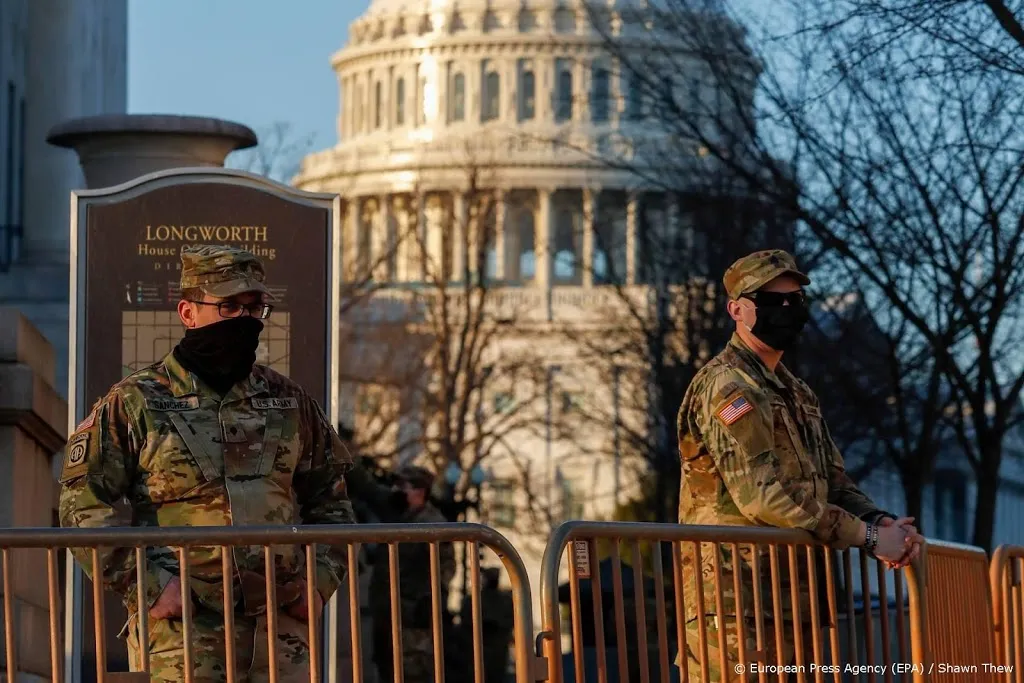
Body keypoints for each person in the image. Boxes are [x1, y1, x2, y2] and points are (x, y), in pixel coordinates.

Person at [58, 244, 356, 682]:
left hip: (279, 636)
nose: (244, 320)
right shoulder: (136, 402)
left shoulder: (291, 403)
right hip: (181, 635)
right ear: (188, 312)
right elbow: (80, 504)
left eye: (254, 308)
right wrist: (150, 587)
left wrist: (318, 582)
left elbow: (333, 503)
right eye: (229, 305)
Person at [675, 249, 923, 682]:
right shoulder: (728, 387)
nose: (788, 311)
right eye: (773, 301)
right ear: (738, 310)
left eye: (796, 301)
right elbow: (763, 497)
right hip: (736, 608)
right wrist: (865, 537)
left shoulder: (798, 392)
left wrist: (881, 523)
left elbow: (833, 481)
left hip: (795, 600)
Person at [366, 464, 456, 683]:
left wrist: (430, 600)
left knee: (412, 673)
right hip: (386, 613)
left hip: (413, 618)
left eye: (402, 485)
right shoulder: (397, 518)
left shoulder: (432, 523)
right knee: (386, 669)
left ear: (419, 491)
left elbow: (446, 566)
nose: (396, 490)